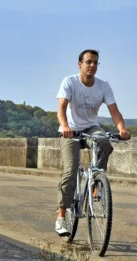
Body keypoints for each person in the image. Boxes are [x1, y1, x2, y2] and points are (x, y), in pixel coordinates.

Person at [55, 49, 131, 236]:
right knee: (70, 172)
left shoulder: (103, 86)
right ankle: (61, 217)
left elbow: (114, 110)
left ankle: (96, 182)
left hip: (91, 128)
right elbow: (61, 108)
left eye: (95, 62)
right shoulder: (69, 82)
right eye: (88, 62)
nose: (92, 66)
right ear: (80, 64)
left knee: (105, 143)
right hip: (70, 131)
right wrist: (64, 126)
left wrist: (121, 128)